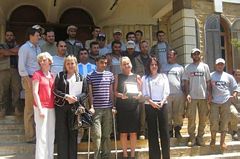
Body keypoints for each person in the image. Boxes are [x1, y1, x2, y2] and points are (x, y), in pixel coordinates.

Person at [53, 55, 87, 159]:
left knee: (73, 134)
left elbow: (85, 93)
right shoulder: (60, 75)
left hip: (74, 109)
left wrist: (76, 98)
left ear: (76, 65)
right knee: (62, 134)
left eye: (72, 63)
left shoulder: (81, 77)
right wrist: (66, 96)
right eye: (68, 63)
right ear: (65, 65)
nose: (70, 65)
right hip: (61, 108)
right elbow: (55, 90)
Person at [87, 55, 115, 159]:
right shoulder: (90, 75)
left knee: (107, 134)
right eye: (102, 62)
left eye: (105, 63)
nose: (104, 64)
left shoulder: (110, 75)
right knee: (97, 135)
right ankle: (97, 156)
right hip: (96, 110)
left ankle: (106, 156)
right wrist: (92, 106)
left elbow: (111, 91)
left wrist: (113, 106)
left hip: (108, 108)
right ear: (96, 62)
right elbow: (90, 93)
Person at [142, 56, 170, 159]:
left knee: (164, 131)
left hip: (162, 104)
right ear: (148, 66)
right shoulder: (145, 78)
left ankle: (166, 156)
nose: (154, 66)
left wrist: (162, 102)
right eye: (152, 65)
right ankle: (154, 156)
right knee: (152, 132)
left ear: (158, 66)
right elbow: (144, 93)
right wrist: (151, 102)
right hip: (150, 105)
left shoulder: (163, 76)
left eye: (155, 64)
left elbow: (167, 91)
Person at [182, 48, 211, 147]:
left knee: (203, 118)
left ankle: (200, 137)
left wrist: (209, 93)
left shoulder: (205, 66)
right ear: (191, 56)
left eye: (198, 54)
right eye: (194, 54)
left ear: (200, 55)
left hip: (203, 96)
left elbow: (208, 81)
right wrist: (187, 94)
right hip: (192, 96)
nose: (196, 56)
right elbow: (185, 82)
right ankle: (192, 137)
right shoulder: (188, 67)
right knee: (191, 118)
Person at [114, 56, 142, 158]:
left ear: (131, 64)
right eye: (124, 64)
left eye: (128, 63)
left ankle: (133, 155)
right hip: (122, 106)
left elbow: (140, 91)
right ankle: (125, 155)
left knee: (133, 132)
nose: (127, 65)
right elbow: (115, 92)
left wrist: (139, 95)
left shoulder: (137, 76)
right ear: (121, 66)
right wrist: (122, 96)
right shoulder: (118, 76)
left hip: (134, 106)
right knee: (123, 132)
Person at [209, 58, 239, 151]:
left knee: (224, 122)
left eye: (222, 64)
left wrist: (234, 94)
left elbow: (235, 87)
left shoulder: (228, 76)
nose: (220, 66)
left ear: (224, 65)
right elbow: (207, 87)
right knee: (213, 122)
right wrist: (208, 95)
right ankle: (213, 140)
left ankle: (222, 142)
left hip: (226, 101)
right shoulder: (211, 76)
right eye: (218, 64)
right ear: (215, 65)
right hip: (214, 102)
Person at [18, 27, 41, 143]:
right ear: (31, 36)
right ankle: (30, 136)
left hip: (38, 79)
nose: (39, 37)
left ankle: (37, 135)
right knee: (29, 109)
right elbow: (22, 67)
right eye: (37, 35)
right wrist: (28, 82)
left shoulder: (38, 48)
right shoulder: (24, 48)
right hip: (29, 79)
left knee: (37, 108)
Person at [32, 52, 55, 159]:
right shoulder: (37, 74)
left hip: (52, 108)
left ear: (49, 61)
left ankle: (49, 157)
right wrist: (40, 109)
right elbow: (35, 92)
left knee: (51, 135)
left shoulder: (52, 75)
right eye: (40, 60)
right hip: (41, 108)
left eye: (44, 59)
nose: (41, 62)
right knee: (42, 136)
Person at [162, 50, 185, 138]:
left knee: (178, 113)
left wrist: (185, 95)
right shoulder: (163, 67)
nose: (169, 56)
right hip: (166, 94)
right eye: (168, 55)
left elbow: (183, 81)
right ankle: (169, 131)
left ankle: (177, 130)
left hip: (178, 94)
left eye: (170, 55)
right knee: (167, 113)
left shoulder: (180, 68)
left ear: (175, 56)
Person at [0, 30, 21, 116]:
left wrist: (6, 52)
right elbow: (2, 52)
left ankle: (16, 108)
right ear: (5, 36)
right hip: (3, 70)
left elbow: (18, 51)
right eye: (7, 35)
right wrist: (13, 52)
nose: (9, 37)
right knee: (2, 90)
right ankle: (2, 109)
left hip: (15, 70)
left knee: (16, 90)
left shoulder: (18, 45)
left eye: (11, 35)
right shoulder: (1, 45)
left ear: (14, 37)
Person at [134, 40, 150, 140]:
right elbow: (134, 74)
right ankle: (142, 131)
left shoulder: (152, 59)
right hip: (140, 88)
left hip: (151, 88)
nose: (144, 48)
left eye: (146, 46)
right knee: (142, 111)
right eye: (142, 47)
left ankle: (151, 130)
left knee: (151, 109)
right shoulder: (136, 60)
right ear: (140, 48)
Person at [229, 69, 240, 140]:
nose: (238, 76)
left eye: (239, 75)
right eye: (236, 74)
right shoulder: (230, 84)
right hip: (232, 104)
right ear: (233, 75)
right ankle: (235, 131)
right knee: (234, 113)